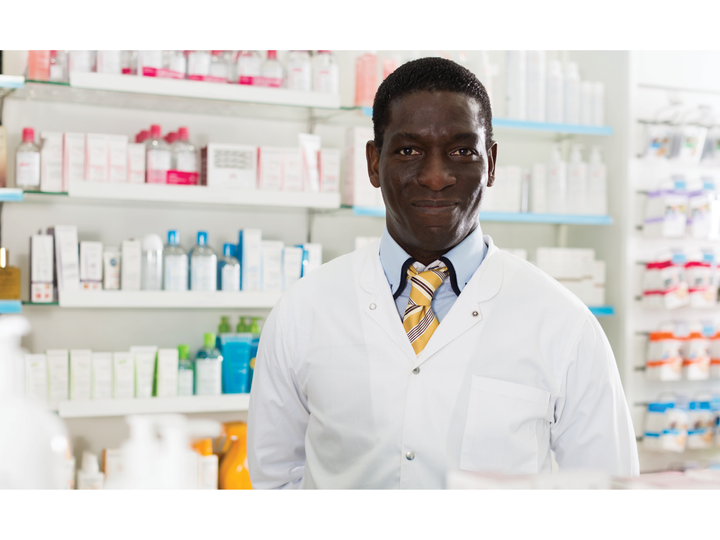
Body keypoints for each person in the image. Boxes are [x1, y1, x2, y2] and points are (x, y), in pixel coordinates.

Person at [247, 56, 639, 489]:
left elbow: (609, 494)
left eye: (461, 150)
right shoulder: (303, 310)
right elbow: (275, 479)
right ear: (374, 163)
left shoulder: (564, 323)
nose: (436, 177)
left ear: (490, 163)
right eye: (409, 150)